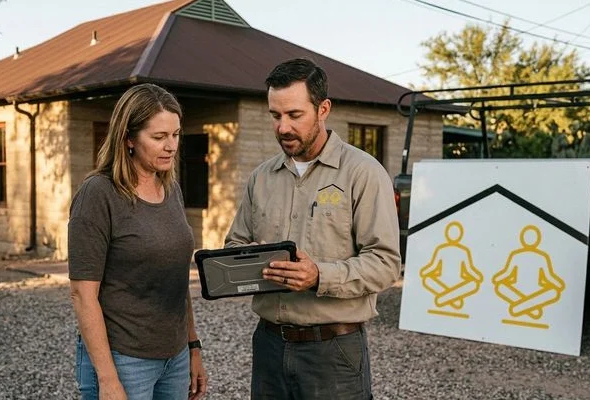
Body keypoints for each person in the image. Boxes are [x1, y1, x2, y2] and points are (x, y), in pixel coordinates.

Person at [224, 58, 401, 399]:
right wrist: (246, 260)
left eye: (294, 115)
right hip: (269, 346)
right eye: (275, 115)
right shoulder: (261, 177)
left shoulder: (363, 173)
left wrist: (319, 276)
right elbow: (236, 243)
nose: (283, 127)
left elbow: (386, 263)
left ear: (323, 109)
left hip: (334, 352)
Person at [68, 83, 207, 400]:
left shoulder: (170, 188)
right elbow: (82, 295)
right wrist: (107, 379)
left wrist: (193, 346)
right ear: (128, 138)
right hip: (123, 360)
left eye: (176, 134)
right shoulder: (98, 194)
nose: (171, 146)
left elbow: (176, 277)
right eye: (159, 137)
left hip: (175, 358)